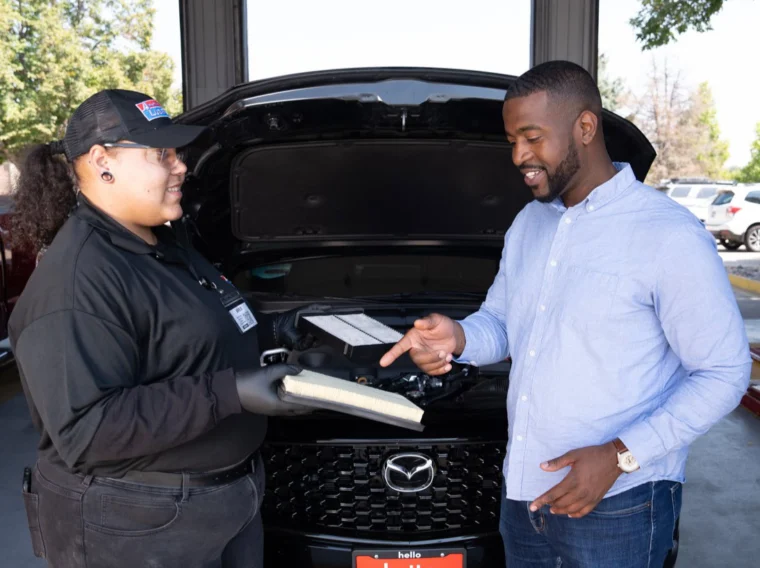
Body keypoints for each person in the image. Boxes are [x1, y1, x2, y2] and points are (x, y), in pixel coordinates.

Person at [380, 61, 751, 567]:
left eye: (532, 137)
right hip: (525, 495)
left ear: (584, 127)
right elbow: (503, 326)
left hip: (620, 503)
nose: (519, 157)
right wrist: (459, 337)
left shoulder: (667, 234)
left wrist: (621, 455)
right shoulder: (529, 223)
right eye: (512, 140)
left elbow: (724, 372)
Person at [10, 89, 314, 568]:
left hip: (224, 503)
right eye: (162, 154)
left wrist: (276, 333)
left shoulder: (164, 242)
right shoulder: (78, 281)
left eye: (177, 153)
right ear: (102, 161)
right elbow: (88, 430)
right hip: (137, 525)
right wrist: (231, 392)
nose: (181, 167)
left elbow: (199, 330)